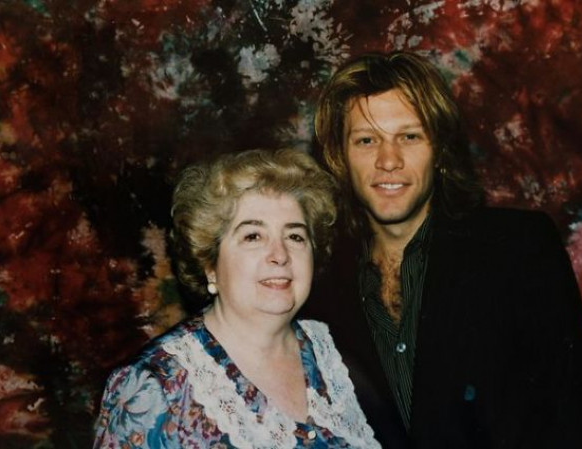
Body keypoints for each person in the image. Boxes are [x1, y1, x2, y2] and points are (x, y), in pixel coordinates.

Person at [301, 51, 582, 448]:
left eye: (409, 136)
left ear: (439, 149)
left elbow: (573, 416)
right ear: (340, 157)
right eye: (366, 140)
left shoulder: (519, 248)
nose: (388, 160)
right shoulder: (316, 283)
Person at [93, 149, 381, 448]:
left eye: (295, 236)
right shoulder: (152, 386)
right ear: (210, 264)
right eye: (253, 236)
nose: (280, 255)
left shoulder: (334, 358)